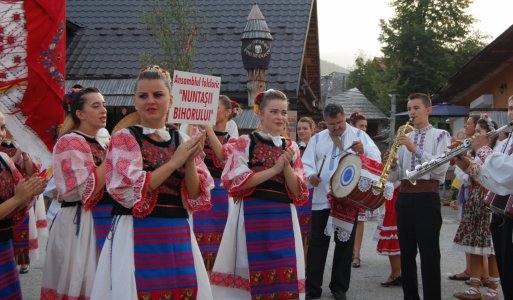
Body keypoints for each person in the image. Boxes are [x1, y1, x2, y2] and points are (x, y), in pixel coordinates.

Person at [91, 65, 214, 299]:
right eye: (143, 96)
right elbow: (128, 191)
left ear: (171, 100)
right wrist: (174, 161)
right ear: (135, 102)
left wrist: (188, 161)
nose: (151, 101)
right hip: (135, 228)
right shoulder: (125, 138)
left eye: (158, 95)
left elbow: (195, 193)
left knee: (181, 288)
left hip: (176, 228)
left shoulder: (182, 138)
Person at [210, 89, 309, 299]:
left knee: (283, 272)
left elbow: (298, 190)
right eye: (274, 111)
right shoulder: (246, 142)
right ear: (260, 113)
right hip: (252, 213)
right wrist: (273, 170)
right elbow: (237, 182)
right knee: (250, 272)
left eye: (283, 112)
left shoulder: (291, 147)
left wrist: (286, 166)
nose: (280, 117)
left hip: (282, 217)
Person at [302, 103, 381, 300]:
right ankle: (313, 288)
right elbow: (305, 164)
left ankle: (339, 288)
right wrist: (311, 176)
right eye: (331, 124)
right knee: (318, 244)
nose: (336, 127)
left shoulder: (360, 136)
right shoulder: (317, 138)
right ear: (325, 122)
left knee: (344, 246)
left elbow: (377, 159)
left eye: (339, 122)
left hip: (348, 199)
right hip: (321, 198)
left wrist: (363, 152)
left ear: (344, 117)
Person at [41, 87, 112, 299]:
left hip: (102, 217)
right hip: (80, 222)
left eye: (104, 105)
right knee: (81, 280)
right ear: (79, 114)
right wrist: (114, 156)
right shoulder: (70, 141)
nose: (104, 110)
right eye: (96, 106)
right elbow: (83, 190)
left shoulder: (102, 142)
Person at [388, 93, 451, 300]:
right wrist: (394, 165)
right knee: (406, 254)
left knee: (429, 253)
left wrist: (415, 149)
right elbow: (397, 177)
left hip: (427, 197)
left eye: (416, 108)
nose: (412, 112)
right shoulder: (405, 138)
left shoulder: (441, 135)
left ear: (428, 110)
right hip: (405, 198)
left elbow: (439, 168)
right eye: (409, 108)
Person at [452, 95, 513, 300]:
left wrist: (483, 148)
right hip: (502, 212)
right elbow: (494, 179)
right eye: (510, 109)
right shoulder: (509, 141)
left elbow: (508, 172)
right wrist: (465, 164)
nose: (512, 113)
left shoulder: (501, 143)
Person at [190, 95, 240, 273]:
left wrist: (208, 130)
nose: (211, 112)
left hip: (222, 194)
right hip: (202, 189)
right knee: (198, 234)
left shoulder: (234, 140)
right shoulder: (199, 134)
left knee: (221, 237)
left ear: (227, 112)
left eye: (216, 108)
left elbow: (222, 156)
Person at [0, 111, 47, 299]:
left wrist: (33, 187)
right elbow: (18, 197)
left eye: (2, 127)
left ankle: (23, 262)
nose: (2, 134)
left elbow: (22, 186)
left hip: (4, 242)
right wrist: (19, 198)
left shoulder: (4, 158)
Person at [449, 115, 480, 282]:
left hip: (475, 190)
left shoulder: (476, 146)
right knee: (469, 232)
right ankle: (471, 270)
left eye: (469, 123)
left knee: (476, 233)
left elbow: (471, 169)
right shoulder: (468, 144)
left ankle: (481, 273)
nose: (466, 125)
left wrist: (462, 165)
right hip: (467, 188)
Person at [347, 111, 378, 268]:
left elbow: (375, 157)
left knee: (359, 220)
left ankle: (356, 254)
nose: (364, 129)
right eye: (361, 126)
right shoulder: (345, 137)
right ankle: (346, 252)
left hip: (361, 182)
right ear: (352, 126)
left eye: (366, 126)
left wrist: (364, 150)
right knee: (344, 218)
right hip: (345, 183)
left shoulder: (367, 140)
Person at [297, 116, 316, 258]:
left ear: (312, 130)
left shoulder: (316, 148)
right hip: (298, 192)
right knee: (299, 228)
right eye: (299, 128)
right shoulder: (296, 148)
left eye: (305, 128)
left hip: (312, 191)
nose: (301, 131)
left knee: (308, 230)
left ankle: (307, 262)